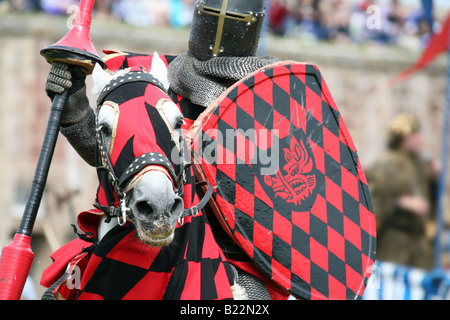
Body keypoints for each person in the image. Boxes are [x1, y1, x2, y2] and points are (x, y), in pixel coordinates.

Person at [44, 0, 287, 299]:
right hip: (133, 233)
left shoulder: (267, 104)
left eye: (236, 20)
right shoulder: (150, 75)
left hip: (229, 260)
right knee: (65, 292)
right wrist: (74, 108)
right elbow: (110, 152)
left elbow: (280, 206)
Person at [366, 113, 438, 270]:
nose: (420, 139)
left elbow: (432, 202)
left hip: (420, 247)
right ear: (403, 138)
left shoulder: (420, 162)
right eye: (415, 135)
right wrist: (401, 203)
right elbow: (374, 204)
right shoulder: (386, 163)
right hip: (394, 246)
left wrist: (434, 180)